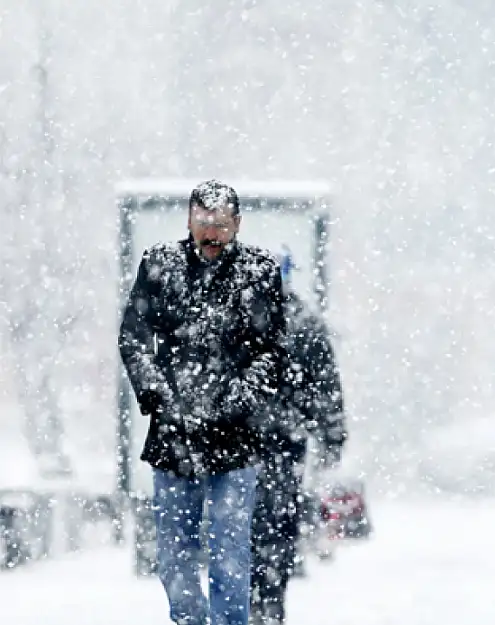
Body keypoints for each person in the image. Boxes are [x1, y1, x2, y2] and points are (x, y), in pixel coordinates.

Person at [119, 180, 287, 625]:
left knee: (231, 550)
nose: (211, 233)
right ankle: (188, 621)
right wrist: (157, 392)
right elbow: (133, 338)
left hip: (236, 434)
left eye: (221, 225)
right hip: (174, 435)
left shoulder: (260, 270)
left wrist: (240, 396)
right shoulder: (159, 264)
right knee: (175, 551)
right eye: (203, 223)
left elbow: (272, 349)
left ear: (237, 225)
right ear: (189, 220)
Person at [250, 252, 348, 625]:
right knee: (277, 523)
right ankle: (269, 600)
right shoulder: (304, 322)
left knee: (244, 525)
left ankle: (252, 598)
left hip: (243, 444)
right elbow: (327, 388)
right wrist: (331, 437)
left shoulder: (235, 320)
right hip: (284, 442)